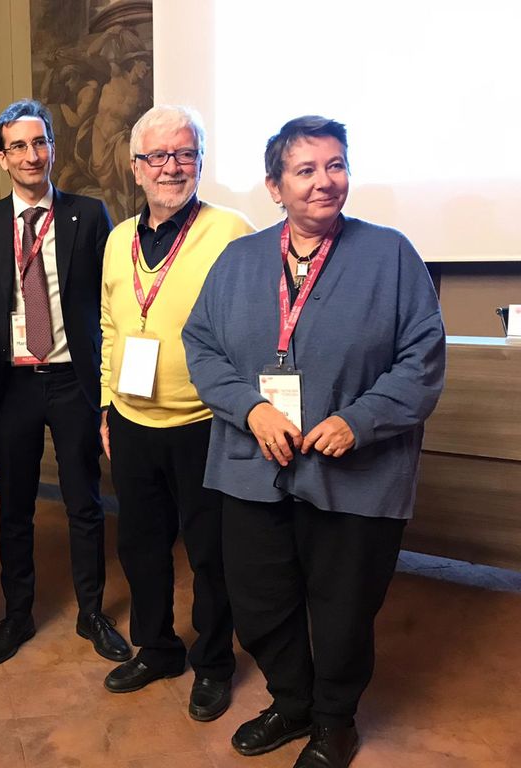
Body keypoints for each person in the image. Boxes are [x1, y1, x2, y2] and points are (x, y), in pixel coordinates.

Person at [182, 116, 445, 768]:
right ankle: (291, 701)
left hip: (356, 474)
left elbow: (422, 359)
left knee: (343, 608)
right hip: (253, 466)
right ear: (275, 187)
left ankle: (333, 722)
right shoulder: (239, 260)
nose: (325, 181)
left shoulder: (391, 256)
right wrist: (250, 409)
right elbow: (202, 346)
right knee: (259, 601)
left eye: (336, 165)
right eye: (306, 170)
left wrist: (362, 419)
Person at [99, 105, 254, 722]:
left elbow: (255, 329)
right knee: (140, 546)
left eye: (184, 154)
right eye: (158, 156)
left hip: (205, 425)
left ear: (200, 162)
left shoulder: (232, 231)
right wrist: (107, 405)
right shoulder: (117, 239)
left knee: (212, 554)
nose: (171, 167)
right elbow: (111, 325)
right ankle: (158, 648)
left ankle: (214, 663)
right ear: (136, 167)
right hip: (131, 421)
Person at [0, 99, 130, 665]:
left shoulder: (89, 214)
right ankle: (17, 615)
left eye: (40, 142)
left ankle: (91, 612)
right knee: (14, 506)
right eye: (18, 146)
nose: (31, 155)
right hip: (12, 382)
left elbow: (111, 300)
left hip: (72, 380)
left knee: (85, 502)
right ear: (2, 158)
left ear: (53, 149)